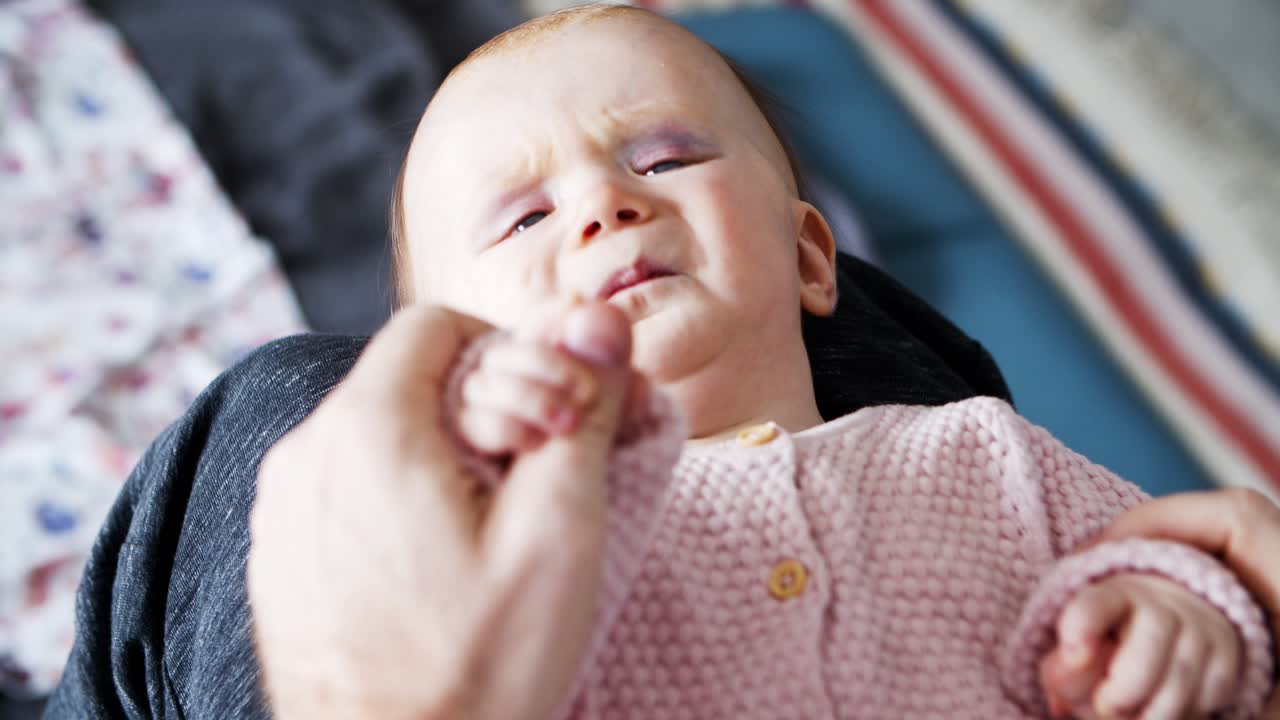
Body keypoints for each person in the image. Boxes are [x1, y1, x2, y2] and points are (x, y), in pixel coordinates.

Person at [43, 5, 1279, 720]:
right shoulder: (511, 539)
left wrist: (1173, 613)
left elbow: (1160, 551)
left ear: (810, 258)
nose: (601, 208)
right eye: (522, 222)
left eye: (665, 157)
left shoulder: (979, 449)